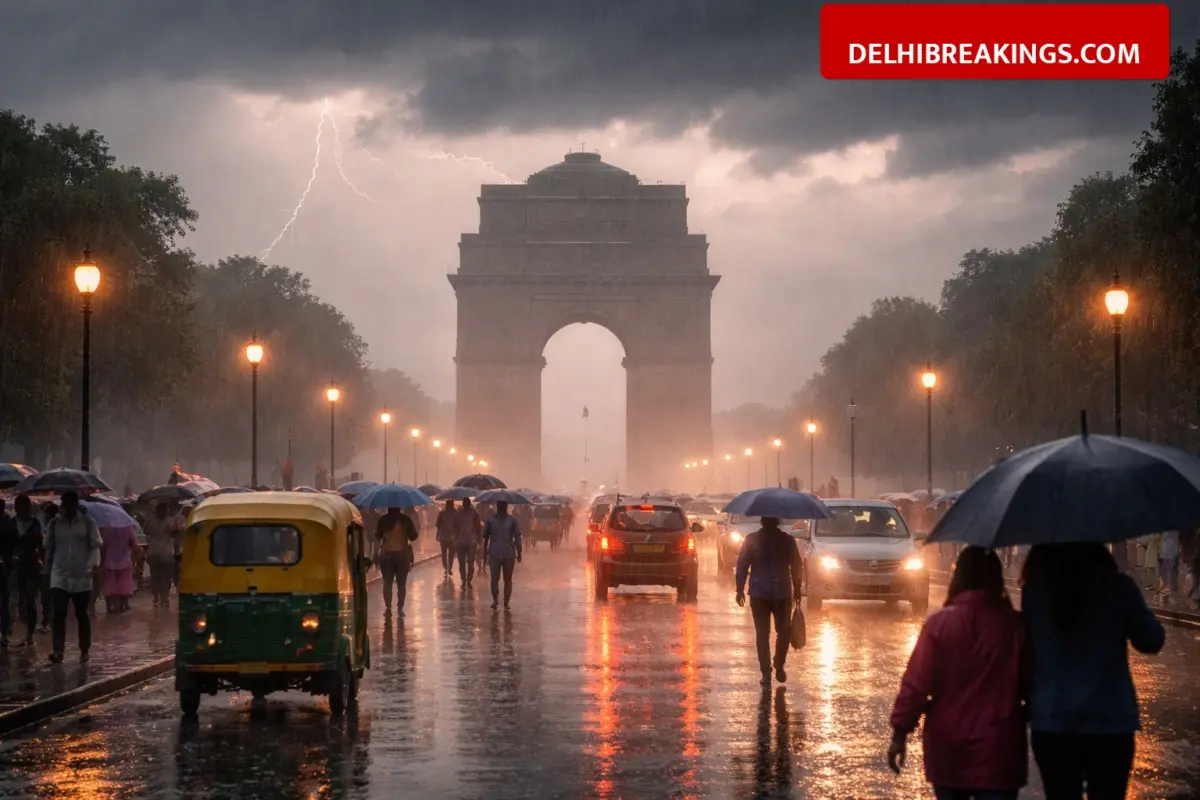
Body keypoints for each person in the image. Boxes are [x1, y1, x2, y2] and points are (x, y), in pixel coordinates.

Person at [1022, 543, 1165, 800]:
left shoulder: (1035, 591)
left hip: (1053, 720)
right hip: (1110, 720)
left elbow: (1026, 653)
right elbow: (1151, 640)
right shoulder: (1119, 587)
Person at [888, 547, 1029, 800]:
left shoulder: (939, 625)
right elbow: (1033, 684)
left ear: (958, 577)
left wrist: (900, 733)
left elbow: (916, 685)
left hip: (948, 748)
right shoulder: (1015, 626)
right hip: (1000, 749)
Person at [735, 516, 804, 686]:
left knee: (762, 633)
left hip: (759, 593)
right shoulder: (788, 541)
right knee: (784, 632)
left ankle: (766, 671)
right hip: (782, 593)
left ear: (762, 522)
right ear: (778, 522)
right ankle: (779, 664)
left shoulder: (751, 540)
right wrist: (797, 588)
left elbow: (742, 565)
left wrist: (739, 589)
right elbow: (797, 567)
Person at [43, 491, 102, 663]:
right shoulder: (55, 524)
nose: (67, 507)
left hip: (81, 574)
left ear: (76, 504)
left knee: (81, 614)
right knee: (58, 612)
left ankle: (84, 649)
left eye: (70, 503)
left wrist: (94, 565)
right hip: (59, 574)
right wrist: (47, 570)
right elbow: (48, 547)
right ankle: (58, 650)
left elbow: (95, 546)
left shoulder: (88, 523)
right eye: (65, 503)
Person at [12, 495, 44, 647]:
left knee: (30, 601)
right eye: (17, 506)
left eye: (22, 506)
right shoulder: (11, 523)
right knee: (18, 602)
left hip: (31, 566)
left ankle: (30, 634)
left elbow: (41, 544)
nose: (19, 509)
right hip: (14, 567)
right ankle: (24, 629)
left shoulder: (35, 523)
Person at [375, 506, 418, 616]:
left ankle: (388, 607)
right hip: (402, 555)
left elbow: (377, 536)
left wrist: (375, 555)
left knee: (387, 583)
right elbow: (414, 536)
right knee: (401, 584)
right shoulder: (406, 519)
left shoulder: (383, 520)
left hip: (386, 555)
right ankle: (400, 608)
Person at [482, 501, 522, 610]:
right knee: (502, 579)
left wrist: (484, 553)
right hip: (502, 554)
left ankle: (501, 600)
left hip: (501, 553)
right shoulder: (509, 520)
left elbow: (485, 538)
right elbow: (485, 538)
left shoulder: (494, 520)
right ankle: (501, 601)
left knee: (500, 579)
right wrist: (519, 552)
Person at [143, 502, 180, 607]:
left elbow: (145, 531)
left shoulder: (151, 521)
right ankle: (164, 598)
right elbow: (175, 533)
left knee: (155, 576)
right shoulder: (171, 521)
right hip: (167, 553)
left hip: (153, 552)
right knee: (166, 577)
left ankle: (156, 598)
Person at [99, 519, 140, 613]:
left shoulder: (107, 528)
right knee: (124, 585)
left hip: (110, 561)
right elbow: (134, 544)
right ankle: (124, 605)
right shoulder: (128, 527)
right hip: (124, 561)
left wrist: (102, 560)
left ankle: (112, 606)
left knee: (111, 585)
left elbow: (103, 545)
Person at [454, 498, 483, 588]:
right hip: (470, 541)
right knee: (470, 562)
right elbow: (478, 528)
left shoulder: (458, 514)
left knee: (463, 563)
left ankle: (464, 580)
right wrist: (479, 540)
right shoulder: (474, 514)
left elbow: (454, 527)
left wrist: (455, 538)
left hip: (463, 541)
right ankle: (467, 580)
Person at [0, 499, 17, 647]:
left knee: (5, 600)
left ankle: (5, 632)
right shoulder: (9, 521)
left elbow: (13, 542)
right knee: (5, 600)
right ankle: (5, 632)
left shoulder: (8, 522)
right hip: (6, 565)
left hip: (5, 565)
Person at [435, 500, 457, 579]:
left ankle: (446, 568)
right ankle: (449, 568)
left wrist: (437, 535)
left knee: (443, 553)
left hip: (443, 537)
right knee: (451, 554)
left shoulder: (442, 513)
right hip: (452, 538)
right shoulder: (456, 513)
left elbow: (438, 525)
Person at [1158, 530, 1180, 599]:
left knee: (1168, 571)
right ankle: (1171, 588)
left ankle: (1169, 588)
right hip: (1171, 552)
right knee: (1170, 570)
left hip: (1169, 553)